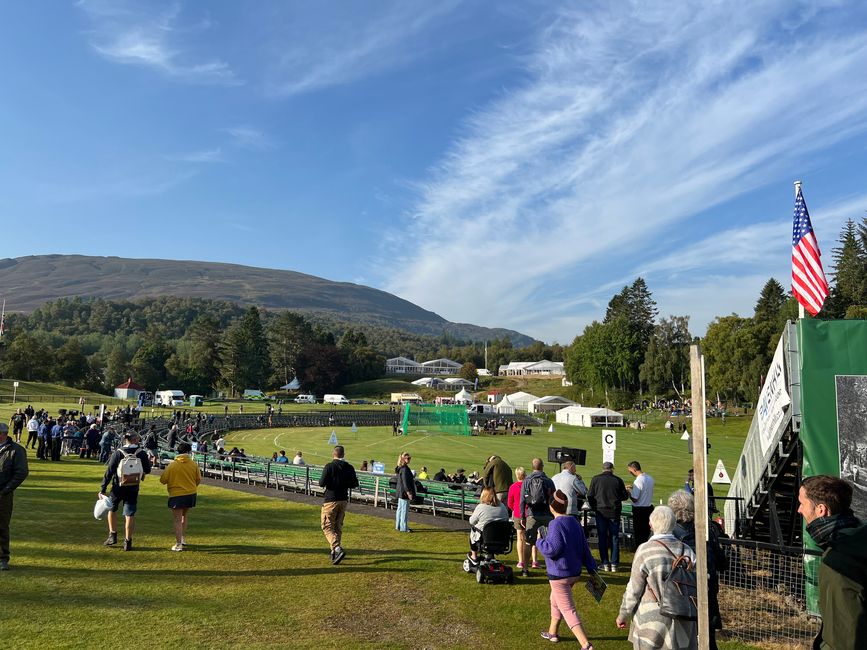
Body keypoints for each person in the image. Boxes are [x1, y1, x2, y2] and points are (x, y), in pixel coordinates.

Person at [798, 475, 867, 650]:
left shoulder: (838, 560)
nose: (799, 510)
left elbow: (845, 637)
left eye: (802, 503)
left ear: (821, 510)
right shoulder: (858, 539)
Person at [616, 506, 698, 649]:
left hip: (652, 618)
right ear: (673, 525)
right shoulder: (687, 550)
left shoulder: (645, 550)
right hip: (683, 617)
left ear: (651, 525)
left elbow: (634, 590)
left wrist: (623, 614)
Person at [536, 489, 597, 647]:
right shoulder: (574, 522)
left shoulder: (555, 524)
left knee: (568, 609)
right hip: (574, 572)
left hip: (559, 575)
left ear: (552, 507)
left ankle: (586, 645)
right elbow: (585, 548)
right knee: (555, 600)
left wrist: (539, 541)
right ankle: (553, 633)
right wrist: (592, 568)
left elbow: (552, 549)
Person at [669, 489, 726, 650]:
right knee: (708, 639)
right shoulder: (707, 530)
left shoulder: (670, 533)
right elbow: (722, 562)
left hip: (681, 595)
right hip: (706, 591)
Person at [99, 432, 152, 551]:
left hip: (118, 487)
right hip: (133, 487)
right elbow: (147, 470)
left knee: (112, 510)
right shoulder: (141, 453)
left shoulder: (118, 452)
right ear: (135, 440)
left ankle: (112, 535)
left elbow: (110, 471)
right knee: (129, 514)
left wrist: (103, 488)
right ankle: (128, 541)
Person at [318, 445, 359, 565]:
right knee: (337, 526)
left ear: (333, 454)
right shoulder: (349, 467)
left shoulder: (329, 466)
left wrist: (332, 481)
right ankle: (334, 552)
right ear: (343, 454)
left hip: (331, 499)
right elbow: (354, 483)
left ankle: (336, 548)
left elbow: (321, 483)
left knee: (327, 526)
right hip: (343, 499)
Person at [587, 461, 629, 572]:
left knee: (602, 537)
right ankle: (614, 563)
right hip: (614, 512)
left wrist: (594, 507)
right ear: (612, 469)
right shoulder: (617, 480)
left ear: (603, 469)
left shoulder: (596, 479)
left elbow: (590, 495)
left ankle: (605, 563)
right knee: (614, 537)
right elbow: (624, 496)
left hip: (600, 511)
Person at [159, 442, 202, 551]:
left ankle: (178, 544)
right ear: (188, 452)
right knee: (184, 516)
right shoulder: (193, 464)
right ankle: (182, 538)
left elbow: (163, 480)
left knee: (177, 519)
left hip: (177, 494)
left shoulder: (172, 465)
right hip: (190, 493)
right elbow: (198, 479)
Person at [518, 458, 556, 576]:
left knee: (529, 543)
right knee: (551, 542)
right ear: (542, 466)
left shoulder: (527, 480)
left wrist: (522, 516)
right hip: (547, 515)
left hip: (532, 515)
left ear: (532, 467)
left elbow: (522, 500)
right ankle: (553, 569)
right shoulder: (548, 481)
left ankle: (525, 569)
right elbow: (553, 499)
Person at [0, 423, 29, 571]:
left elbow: (21, 472)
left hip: (3, 495)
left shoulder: (16, 450)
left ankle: (3, 558)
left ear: (3, 434)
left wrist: (7, 489)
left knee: (2, 526)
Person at [466, 486, 509, 564]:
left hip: (485, 537)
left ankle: (474, 556)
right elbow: (506, 519)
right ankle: (490, 555)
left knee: (474, 530)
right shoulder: (502, 507)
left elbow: (472, 521)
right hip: (501, 538)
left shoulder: (481, 507)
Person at [509, 466, 539, 574]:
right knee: (533, 536)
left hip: (518, 513)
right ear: (525, 475)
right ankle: (534, 561)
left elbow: (510, 502)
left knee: (520, 538)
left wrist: (515, 509)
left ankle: (521, 561)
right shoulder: (529, 485)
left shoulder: (513, 487)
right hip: (530, 513)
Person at [627, 461, 655, 546]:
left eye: (630, 470)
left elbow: (635, 499)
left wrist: (628, 492)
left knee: (639, 533)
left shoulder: (638, 480)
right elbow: (644, 490)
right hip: (648, 508)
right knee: (646, 532)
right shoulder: (650, 478)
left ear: (634, 469)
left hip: (639, 510)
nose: (630, 472)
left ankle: (639, 550)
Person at [394, 452, 414, 532]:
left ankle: (398, 526)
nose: (409, 460)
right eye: (408, 458)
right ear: (403, 459)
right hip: (404, 493)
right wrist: (409, 493)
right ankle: (403, 528)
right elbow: (405, 482)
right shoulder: (405, 469)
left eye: (409, 458)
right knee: (404, 511)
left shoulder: (400, 467)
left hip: (401, 492)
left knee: (400, 510)